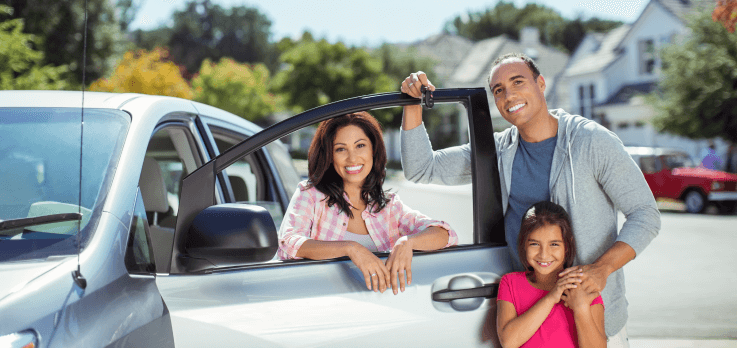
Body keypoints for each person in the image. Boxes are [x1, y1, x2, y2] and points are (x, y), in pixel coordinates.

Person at [399, 52, 660, 346]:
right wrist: (413, 103)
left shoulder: (591, 141)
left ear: (541, 84)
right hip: (531, 323)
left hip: (593, 317)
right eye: (499, 90)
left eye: (517, 82)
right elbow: (422, 168)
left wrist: (602, 269)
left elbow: (645, 214)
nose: (509, 96)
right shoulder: (498, 151)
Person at [277, 111, 458, 295]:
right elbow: (289, 243)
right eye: (341, 149)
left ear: (373, 149)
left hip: (381, 308)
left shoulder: (388, 207)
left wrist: (407, 243)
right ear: (329, 155)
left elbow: (446, 234)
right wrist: (351, 248)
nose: (352, 158)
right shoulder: (311, 195)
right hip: (324, 304)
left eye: (360, 145)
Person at [497, 201, 605, 348]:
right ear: (523, 244)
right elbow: (508, 342)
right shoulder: (510, 283)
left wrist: (581, 309)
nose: (544, 254)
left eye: (554, 244)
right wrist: (552, 297)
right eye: (534, 244)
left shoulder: (583, 286)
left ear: (567, 246)